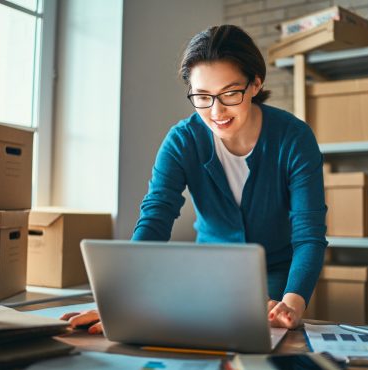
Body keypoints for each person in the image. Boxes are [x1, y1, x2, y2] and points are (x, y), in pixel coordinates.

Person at [61, 24, 327, 334]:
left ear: (255, 83)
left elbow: (308, 234)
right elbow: (155, 217)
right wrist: (121, 299)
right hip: (207, 277)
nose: (216, 111)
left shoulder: (294, 138)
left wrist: (292, 302)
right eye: (202, 96)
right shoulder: (182, 141)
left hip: (277, 278)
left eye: (229, 93)